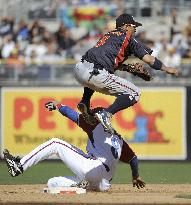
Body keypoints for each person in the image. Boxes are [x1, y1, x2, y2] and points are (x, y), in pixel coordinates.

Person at [4, 101, 145, 192]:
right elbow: (133, 158)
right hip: (103, 184)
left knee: (55, 143)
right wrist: (135, 176)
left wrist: (58, 105)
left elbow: (72, 115)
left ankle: (19, 166)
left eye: (93, 113)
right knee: (52, 183)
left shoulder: (94, 125)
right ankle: (81, 186)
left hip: (93, 169)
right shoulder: (119, 140)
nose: (89, 115)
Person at [73, 13, 179, 134]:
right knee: (135, 93)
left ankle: (85, 101)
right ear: (127, 26)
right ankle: (106, 114)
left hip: (79, 69)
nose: (135, 29)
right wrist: (167, 68)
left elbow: (106, 61)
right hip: (95, 73)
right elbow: (149, 59)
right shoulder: (128, 38)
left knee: (96, 75)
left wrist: (128, 68)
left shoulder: (108, 35)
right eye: (134, 26)